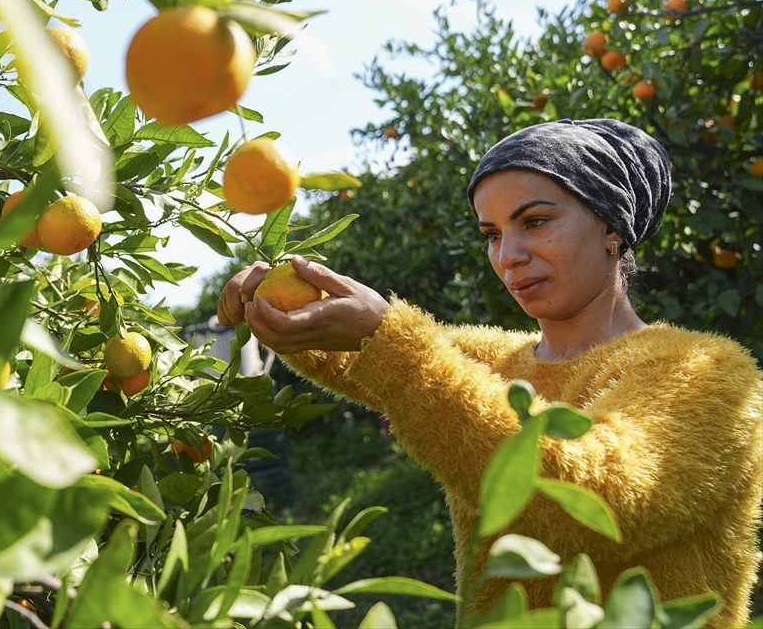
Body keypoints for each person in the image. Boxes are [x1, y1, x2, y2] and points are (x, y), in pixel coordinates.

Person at [218, 119, 763, 627]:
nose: (509, 256)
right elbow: (366, 358)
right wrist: (283, 309)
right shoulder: (501, 361)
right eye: (493, 233)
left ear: (611, 227)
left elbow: (595, 502)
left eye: (535, 222)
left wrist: (390, 341)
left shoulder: (708, 372)